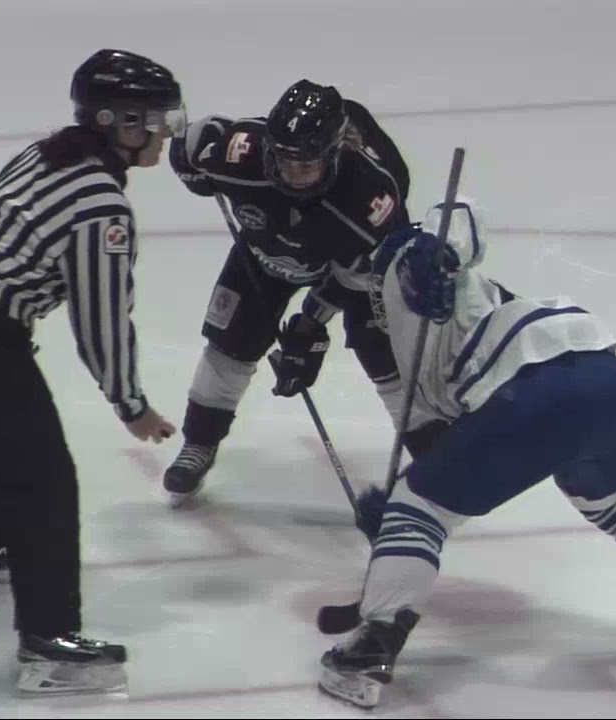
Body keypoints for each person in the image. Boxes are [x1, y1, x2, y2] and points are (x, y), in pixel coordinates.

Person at [315, 199, 616, 709]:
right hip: (607, 380)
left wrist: (432, 251)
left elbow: (456, 215)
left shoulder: (405, 265)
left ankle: (370, 652)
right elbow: (449, 445)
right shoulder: (448, 322)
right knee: (607, 495)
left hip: (531, 393)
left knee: (417, 511)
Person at [0, 48, 182, 695]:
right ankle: (51, 643)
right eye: (157, 120)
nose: (165, 132)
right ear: (122, 124)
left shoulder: (51, 153)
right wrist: (130, 403)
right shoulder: (101, 204)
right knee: (42, 476)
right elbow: (100, 321)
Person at [163, 78, 443, 503]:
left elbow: (359, 276)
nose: (291, 173)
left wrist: (310, 323)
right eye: (283, 160)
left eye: (305, 165)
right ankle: (198, 443)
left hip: (351, 263)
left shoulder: (369, 197)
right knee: (231, 339)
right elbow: (202, 140)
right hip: (263, 253)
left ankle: (435, 457)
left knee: (380, 346)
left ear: (333, 155)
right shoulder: (245, 154)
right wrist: (185, 159)